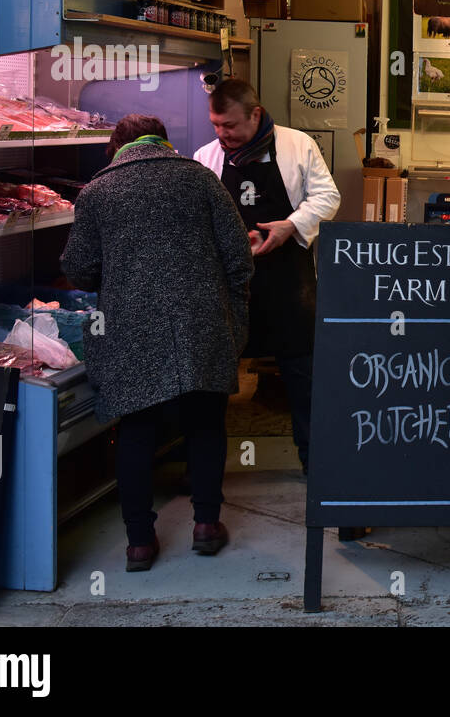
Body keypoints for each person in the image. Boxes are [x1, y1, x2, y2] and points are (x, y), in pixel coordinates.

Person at [61, 114, 253, 572]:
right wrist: (235, 316)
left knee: (136, 431)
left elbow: (79, 269)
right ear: (164, 142)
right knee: (205, 423)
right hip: (201, 324)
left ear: (116, 147)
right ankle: (206, 525)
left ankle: (139, 544)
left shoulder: (97, 192)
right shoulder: (202, 179)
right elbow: (239, 258)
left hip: (130, 331)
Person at [194, 79, 340, 477]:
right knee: (214, 384)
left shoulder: (297, 145)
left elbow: (328, 196)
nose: (222, 135)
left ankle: (317, 465)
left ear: (255, 114)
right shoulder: (205, 157)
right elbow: (198, 219)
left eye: (230, 126)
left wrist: (290, 226)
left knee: (304, 380)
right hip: (230, 290)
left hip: (288, 285)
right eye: (216, 125)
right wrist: (230, 240)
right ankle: (205, 474)